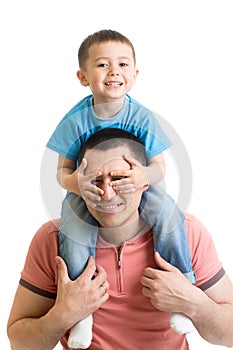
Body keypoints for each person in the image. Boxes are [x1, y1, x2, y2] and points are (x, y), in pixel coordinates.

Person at [7, 128, 233, 350]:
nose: (107, 194)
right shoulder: (51, 239)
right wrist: (62, 315)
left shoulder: (186, 232)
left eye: (120, 179)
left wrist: (194, 303)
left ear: (145, 182)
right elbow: (19, 344)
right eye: (95, 181)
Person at [46, 30, 195, 348]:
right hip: (88, 191)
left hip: (136, 188)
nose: (114, 71)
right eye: (102, 65)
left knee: (169, 213)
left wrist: (143, 176)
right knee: (72, 228)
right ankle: (81, 310)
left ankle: (182, 285)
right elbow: (61, 173)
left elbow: (159, 168)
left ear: (134, 74)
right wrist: (77, 184)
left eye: (123, 64)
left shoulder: (142, 117)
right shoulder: (75, 121)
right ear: (83, 77)